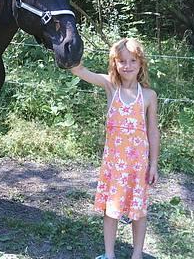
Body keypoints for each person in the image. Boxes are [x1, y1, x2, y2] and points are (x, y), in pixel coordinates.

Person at [70, 38, 160, 259]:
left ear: (141, 63)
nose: (127, 66)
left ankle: (136, 255)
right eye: (122, 61)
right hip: (113, 165)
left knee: (138, 212)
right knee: (111, 211)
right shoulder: (111, 86)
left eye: (132, 60)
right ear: (114, 63)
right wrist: (69, 44)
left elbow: (153, 131)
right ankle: (109, 255)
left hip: (138, 166)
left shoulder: (148, 95)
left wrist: (154, 164)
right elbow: (78, 70)